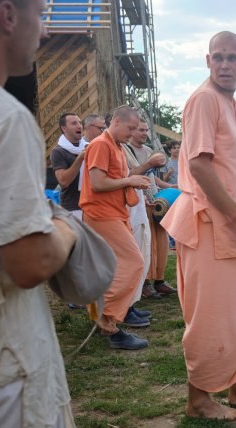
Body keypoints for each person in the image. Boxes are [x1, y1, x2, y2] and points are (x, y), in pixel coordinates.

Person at [0, 0, 84, 428]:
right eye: (42, 12)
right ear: (8, 15)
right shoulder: (1, 117)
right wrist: (67, 230)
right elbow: (28, 262)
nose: (46, 31)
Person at [161, 31, 236, 420]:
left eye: (232, 58)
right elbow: (198, 165)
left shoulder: (228, 102)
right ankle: (198, 400)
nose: (225, 64)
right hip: (209, 223)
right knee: (212, 315)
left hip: (226, 223)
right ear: (207, 61)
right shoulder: (204, 99)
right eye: (218, 57)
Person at [79, 105, 152, 348]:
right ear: (116, 121)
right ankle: (105, 317)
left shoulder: (117, 147)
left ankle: (106, 321)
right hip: (101, 215)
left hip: (116, 214)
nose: (132, 133)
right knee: (134, 263)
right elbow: (98, 183)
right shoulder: (101, 144)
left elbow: (114, 179)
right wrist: (129, 180)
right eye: (130, 128)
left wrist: (132, 182)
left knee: (110, 268)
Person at [125, 119, 177, 298]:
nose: (145, 133)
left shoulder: (148, 150)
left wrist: (169, 186)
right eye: (141, 130)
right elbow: (130, 175)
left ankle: (159, 280)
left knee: (161, 241)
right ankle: (145, 283)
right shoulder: (126, 150)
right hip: (139, 202)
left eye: (146, 130)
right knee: (145, 243)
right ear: (132, 131)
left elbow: (153, 177)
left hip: (156, 201)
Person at [51, 112, 84, 219]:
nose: (79, 126)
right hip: (72, 208)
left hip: (92, 205)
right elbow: (63, 182)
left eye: (80, 123)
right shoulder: (58, 151)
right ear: (64, 128)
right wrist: (80, 159)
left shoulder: (88, 146)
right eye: (74, 123)